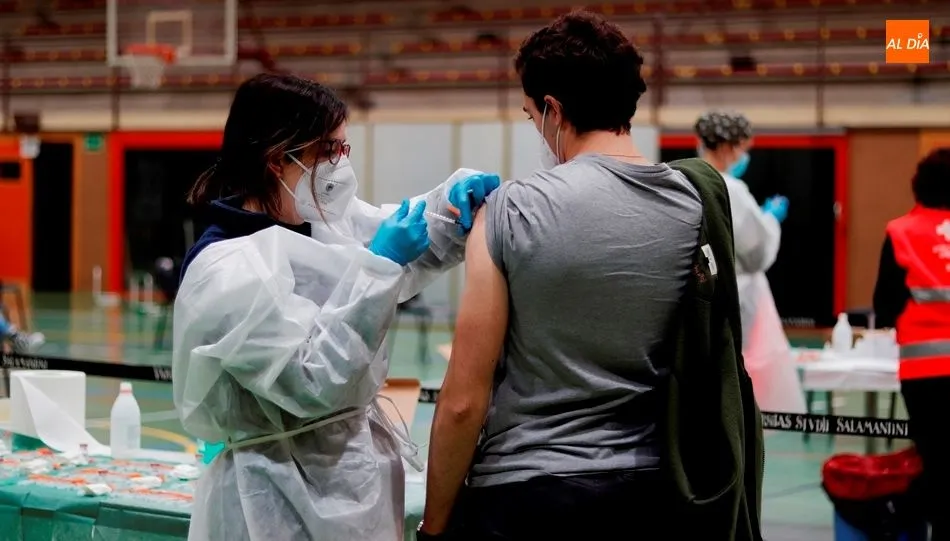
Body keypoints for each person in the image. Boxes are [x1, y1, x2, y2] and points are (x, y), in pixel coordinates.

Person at [420, 12, 762, 540]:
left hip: (526, 495)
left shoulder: (511, 209)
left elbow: (465, 400)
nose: (537, 129)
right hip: (652, 495)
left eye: (533, 117)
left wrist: (435, 525)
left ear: (554, 111)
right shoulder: (694, 204)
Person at [172, 73, 500, 541]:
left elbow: (405, 234)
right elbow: (312, 379)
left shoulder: (320, 221)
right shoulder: (225, 270)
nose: (341, 164)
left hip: (352, 481)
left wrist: (450, 202)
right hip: (273, 497)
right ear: (275, 160)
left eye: (343, 148)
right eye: (328, 151)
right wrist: (379, 267)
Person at [695, 111, 806, 414]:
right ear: (729, 146)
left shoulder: (684, 179)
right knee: (732, 368)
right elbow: (756, 252)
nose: (745, 155)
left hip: (693, 292)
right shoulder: (731, 189)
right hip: (735, 295)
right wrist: (770, 219)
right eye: (743, 148)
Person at [873, 148, 950, 541]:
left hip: (924, 373)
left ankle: (895, 510)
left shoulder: (902, 231)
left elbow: (884, 306)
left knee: (933, 460)